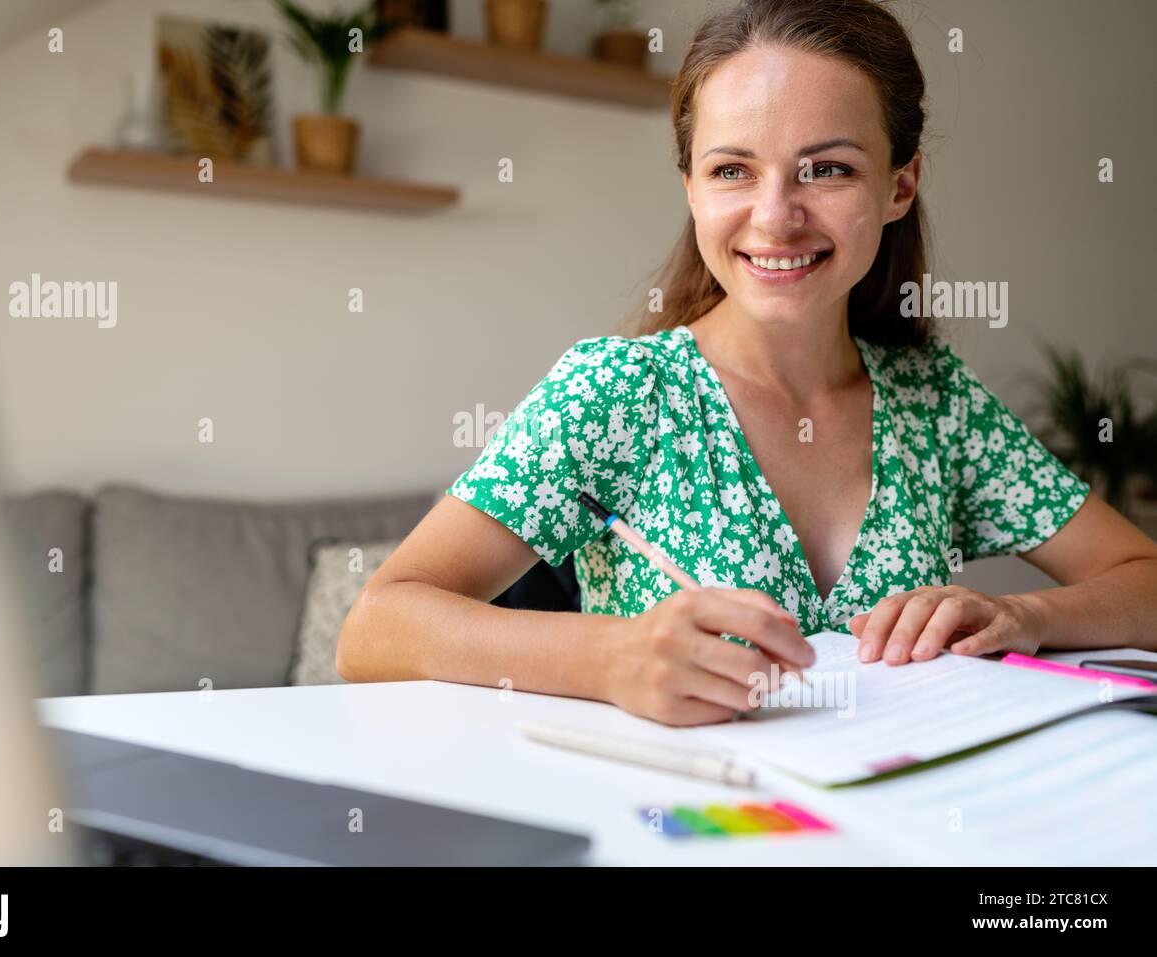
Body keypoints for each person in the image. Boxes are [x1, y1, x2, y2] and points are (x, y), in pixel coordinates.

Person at [337, 0, 1157, 726]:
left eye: (827, 169)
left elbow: (1142, 578)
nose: (776, 217)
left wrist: (1027, 617)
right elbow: (376, 626)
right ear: (692, 188)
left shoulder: (938, 403)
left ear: (899, 186)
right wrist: (610, 657)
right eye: (733, 170)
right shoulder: (616, 392)